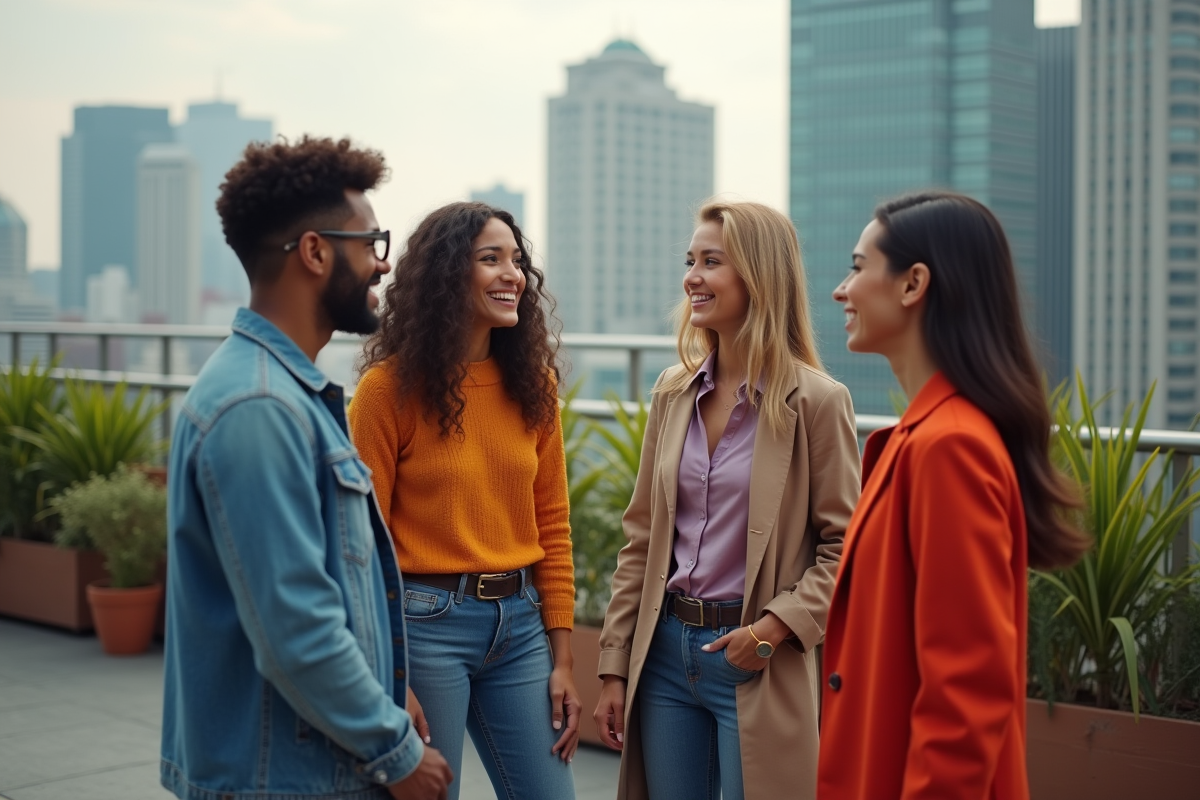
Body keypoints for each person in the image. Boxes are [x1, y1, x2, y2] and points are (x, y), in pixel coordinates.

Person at [161, 136, 452, 800]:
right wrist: (396, 751)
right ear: (316, 252)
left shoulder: (285, 393)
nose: (383, 265)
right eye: (371, 242)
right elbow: (295, 625)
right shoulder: (259, 407)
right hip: (285, 779)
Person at [820, 191, 1089, 800]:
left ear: (914, 283)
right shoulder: (933, 436)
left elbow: (967, 688)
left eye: (860, 267)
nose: (842, 289)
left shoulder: (949, 447)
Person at [593, 201, 861, 800]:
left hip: (755, 659)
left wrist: (771, 630)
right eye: (690, 260)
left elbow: (846, 549)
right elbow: (641, 538)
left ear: (759, 277)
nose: (692, 276)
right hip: (663, 655)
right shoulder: (672, 393)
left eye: (711, 262)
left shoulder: (817, 402)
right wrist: (614, 665)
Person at [348, 201, 579, 800]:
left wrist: (564, 658)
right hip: (424, 629)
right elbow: (360, 547)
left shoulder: (536, 385)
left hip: (522, 626)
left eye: (517, 260)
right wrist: (387, 676)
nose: (513, 275)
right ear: (448, 274)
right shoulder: (386, 392)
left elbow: (552, 523)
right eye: (490, 259)